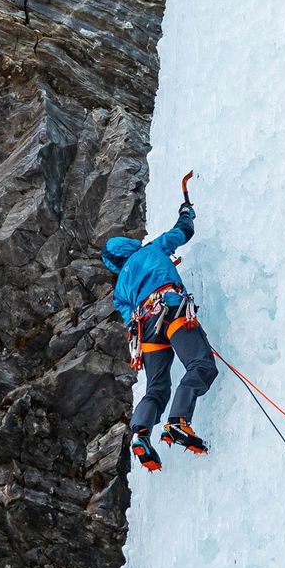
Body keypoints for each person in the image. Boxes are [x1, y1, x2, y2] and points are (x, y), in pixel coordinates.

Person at [101, 201, 218, 471]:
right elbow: (183, 232)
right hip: (171, 311)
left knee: (156, 389)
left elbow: (126, 313)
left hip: (147, 330)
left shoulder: (120, 288)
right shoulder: (152, 249)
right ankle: (177, 421)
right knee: (200, 364)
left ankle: (141, 434)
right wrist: (186, 213)